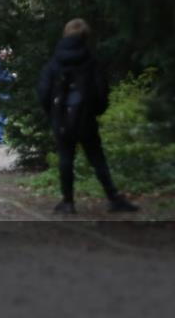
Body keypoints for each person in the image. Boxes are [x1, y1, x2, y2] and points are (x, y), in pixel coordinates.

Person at [36, 19, 138, 214]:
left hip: (62, 119)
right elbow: (101, 91)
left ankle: (68, 202)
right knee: (97, 158)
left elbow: (43, 91)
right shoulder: (91, 61)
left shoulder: (55, 62)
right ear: (85, 37)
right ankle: (113, 197)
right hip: (85, 118)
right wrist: (94, 111)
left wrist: (53, 114)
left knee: (66, 158)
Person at [0, 46, 16, 146]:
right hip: (2, 93)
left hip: (4, 92)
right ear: (2, 53)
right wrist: (12, 77)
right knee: (3, 117)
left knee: (2, 116)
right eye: (8, 52)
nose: (9, 55)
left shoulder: (2, 64)